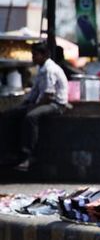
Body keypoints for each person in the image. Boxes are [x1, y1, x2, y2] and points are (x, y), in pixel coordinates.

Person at [1, 42, 69, 171]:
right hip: (43, 101)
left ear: (44, 55)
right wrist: (24, 104)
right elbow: (35, 93)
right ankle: (9, 152)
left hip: (56, 104)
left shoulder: (50, 70)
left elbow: (48, 95)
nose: (33, 58)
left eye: (35, 55)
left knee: (31, 117)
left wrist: (32, 107)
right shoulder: (41, 69)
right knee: (9, 115)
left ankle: (28, 155)